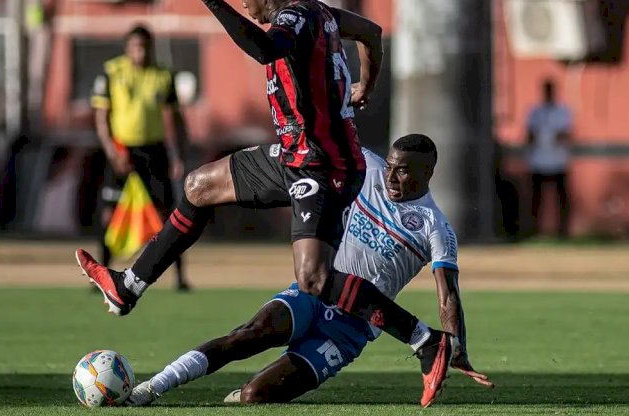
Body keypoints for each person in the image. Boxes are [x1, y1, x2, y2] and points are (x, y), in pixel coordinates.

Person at [77, 0, 452, 405]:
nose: (245, 8)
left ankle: (424, 340)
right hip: (293, 155)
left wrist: (211, 0)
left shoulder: (293, 21)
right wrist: (365, 84)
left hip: (323, 165)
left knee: (313, 277)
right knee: (199, 186)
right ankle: (129, 285)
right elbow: (371, 32)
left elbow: (265, 48)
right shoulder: (322, 14)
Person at [124, 135, 493, 408]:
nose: (392, 176)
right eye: (391, 166)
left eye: (403, 171)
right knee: (249, 335)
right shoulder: (367, 169)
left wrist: (456, 346)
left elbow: (448, 295)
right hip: (314, 293)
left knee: (256, 396)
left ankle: (250, 391)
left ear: (427, 172)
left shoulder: (435, 227)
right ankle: (153, 387)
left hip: (350, 330)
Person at [90, 25, 190, 291]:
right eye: (135, 47)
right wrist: (112, 152)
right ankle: (102, 273)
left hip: (154, 152)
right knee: (109, 214)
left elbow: (172, 119)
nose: (140, 52)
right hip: (121, 151)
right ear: (127, 48)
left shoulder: (162, 76)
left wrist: (176, 156)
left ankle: (179, 276)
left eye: (144, 47)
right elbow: (101, 118)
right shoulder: (112, 72)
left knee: (170, 215)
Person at [526, 78, 572, 238]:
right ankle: (534, 231)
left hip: (558, 160)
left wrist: (548, 136)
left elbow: (566, 133)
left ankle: (563, 231)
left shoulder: (562, 111)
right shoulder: (535, 112)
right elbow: (529, 134)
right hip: (538, 160)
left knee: (562, 198)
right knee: (537, 199)